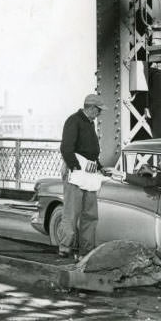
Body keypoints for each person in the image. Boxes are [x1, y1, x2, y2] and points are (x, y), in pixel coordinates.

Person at [58, 93, 107, 259]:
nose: (99, 114)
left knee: (89, 214)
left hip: (88, 174)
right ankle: (66, 247)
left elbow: (88, 151)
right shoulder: (74, 120)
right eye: (99, 111)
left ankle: (86, 250)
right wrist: (77, 167)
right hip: (78, 173)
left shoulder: (87, 122)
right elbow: (66, 148)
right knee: (72, 213)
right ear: (92, 108)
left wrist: (98, 167)